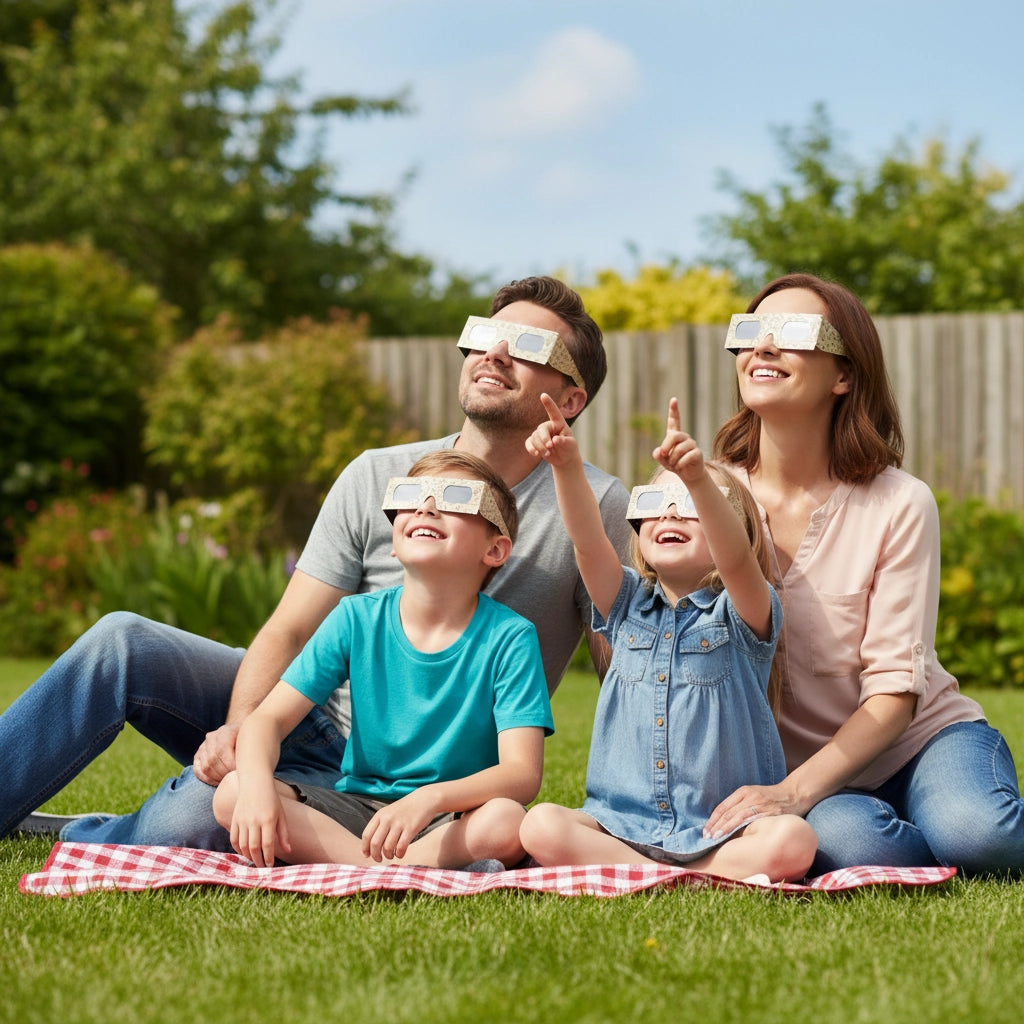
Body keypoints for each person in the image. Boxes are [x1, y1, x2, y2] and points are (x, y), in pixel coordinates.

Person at [3, 276, 633, 850]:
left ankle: (86, 837)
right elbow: (292, 629)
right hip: (313, 720)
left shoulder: (595, 503)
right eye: (485, 336)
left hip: (435, 778)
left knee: (184, 824)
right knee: (122, 642)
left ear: (570, 399)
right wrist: (243, 731)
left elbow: (627, 664)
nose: (495, 353)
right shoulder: (376, 475)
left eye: (526, 347)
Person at [702, 272, 1024, 876]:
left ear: (845, 375)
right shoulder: (708, 497)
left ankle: (956, 817)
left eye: (793, 333)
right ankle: (924, 841)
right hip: (819, 781)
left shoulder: (900, 502)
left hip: (921, 744)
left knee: (976, 833)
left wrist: (792, 798)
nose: (762, 347)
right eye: (749, 332)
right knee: (854, 849)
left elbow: (895, 695)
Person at [517, 392, 817, 883]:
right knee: (541, 825)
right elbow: (588, 541)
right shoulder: (625, 604)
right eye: (654, 503)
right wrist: (567, 465)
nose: (669, 515)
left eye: (690, 507)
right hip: (621, 825)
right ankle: (688, 875)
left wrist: (698, 478)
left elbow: (737, 559)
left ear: (731, 528)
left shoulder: (743, 609)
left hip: (723, 829)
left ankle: (651, 873)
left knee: (793, 840)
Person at [212, 450, 553, 870]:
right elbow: (266, 721)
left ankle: (356, 866)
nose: (427, 507)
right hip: (355, 809)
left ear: (496, 549)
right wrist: (259, 787)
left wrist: (429, 798)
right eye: (412, 497)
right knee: (233, 791)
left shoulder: (511, 637)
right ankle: (388, 869)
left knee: (505, 820)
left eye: (455, 500)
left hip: (447, 817)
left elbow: (522, 775)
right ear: (393, 539)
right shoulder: (355, 618)